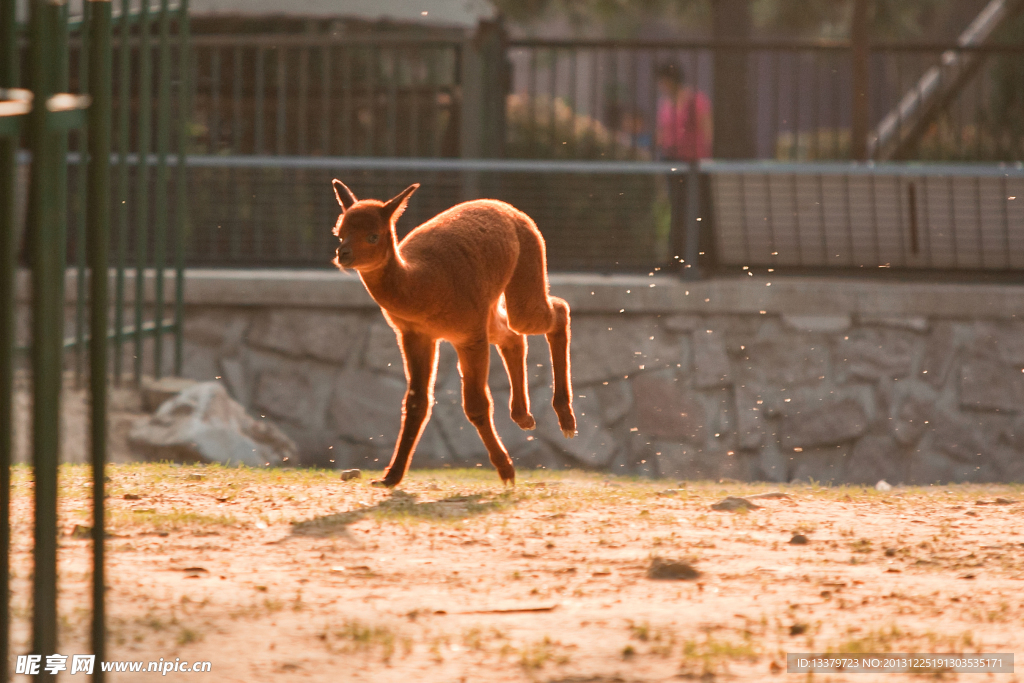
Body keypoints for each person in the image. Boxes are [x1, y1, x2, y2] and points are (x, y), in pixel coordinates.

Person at [655, 61, 712, 160]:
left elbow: (707, 128)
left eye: (662, 81)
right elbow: (662, 131)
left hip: (695, 158)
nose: (660, 85)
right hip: (670, 157)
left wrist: (707, 153)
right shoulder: (664, 103)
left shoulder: (696, 99)